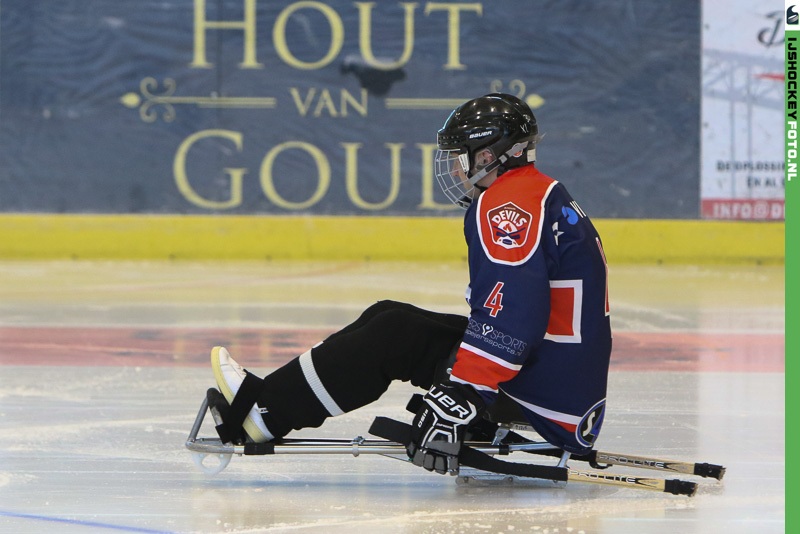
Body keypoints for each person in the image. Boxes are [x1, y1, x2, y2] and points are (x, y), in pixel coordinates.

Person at [209, 93, 612, 475]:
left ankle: (264, 413)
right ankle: (271, 403)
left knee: (394, 334)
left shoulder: (507, 205)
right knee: (391, 315)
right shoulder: (534, 191)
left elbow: (513, 314)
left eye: (461, 156)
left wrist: (464, 394)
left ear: (487, 156)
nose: (456, 168)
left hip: (546, 396)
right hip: (559, 381)